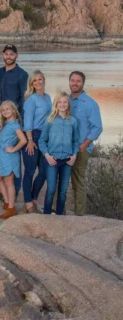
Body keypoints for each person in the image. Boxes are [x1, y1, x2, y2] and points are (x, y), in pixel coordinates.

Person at [0, 45, 28, 199]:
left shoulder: (22, 74)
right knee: (3, 152)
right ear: (3, 55)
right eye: (6, 54)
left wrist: (20, 123)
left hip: (14, 121)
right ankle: (6, 192)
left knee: (14, 155)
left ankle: (15, 191)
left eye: (11, 54)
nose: (8, 56)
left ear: (16, 56)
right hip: (2, 119)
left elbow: (23, 99)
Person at [39, 92, 79, 215]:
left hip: (67, 161)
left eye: (65, 102)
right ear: (56, 104)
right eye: (60, 102)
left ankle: (59, 215)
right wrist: (47, 156)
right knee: (51, 189)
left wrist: (74, 155)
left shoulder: (73, 121)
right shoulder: (50, 120)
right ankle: (46, 215)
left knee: (63, 191)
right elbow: (42, 140)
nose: (62, 104)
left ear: (68, 104)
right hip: (52, 160)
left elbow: (75, 141)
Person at [69, 71, 103, 216]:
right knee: (60, 180)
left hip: (81, 149)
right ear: (69, 82)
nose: (75, 83)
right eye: (72, 80)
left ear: (83, 83)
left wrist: (84, 145)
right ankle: (58, 212)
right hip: (64, 148)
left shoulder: (90, 103)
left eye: (78, 81)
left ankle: (79, 214)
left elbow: (97, 127)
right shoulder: (65, 100)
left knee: (78, 182)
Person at [22, 70, 52, 213]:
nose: (38, 82)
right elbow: (27, 121)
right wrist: (29, 140)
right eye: (35, 80)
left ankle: (34, 199)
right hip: (33, 136)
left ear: (44, 80)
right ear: (31, 84)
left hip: (45, 137)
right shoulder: (31, 100)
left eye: (40, 79)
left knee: (44, 171)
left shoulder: (48, 97)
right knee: (30, 170)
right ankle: (28, 203)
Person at [0, 101, 27, 219]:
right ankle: (7, 201)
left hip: (9, 157)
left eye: (7, 109)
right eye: (3, 110)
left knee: (9, 182)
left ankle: (11, 208)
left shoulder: (15, 125)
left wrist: (13, 149)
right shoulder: (7, 124)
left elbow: (23, 140)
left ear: (13, 110)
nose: (5, 111)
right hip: (3, 156)